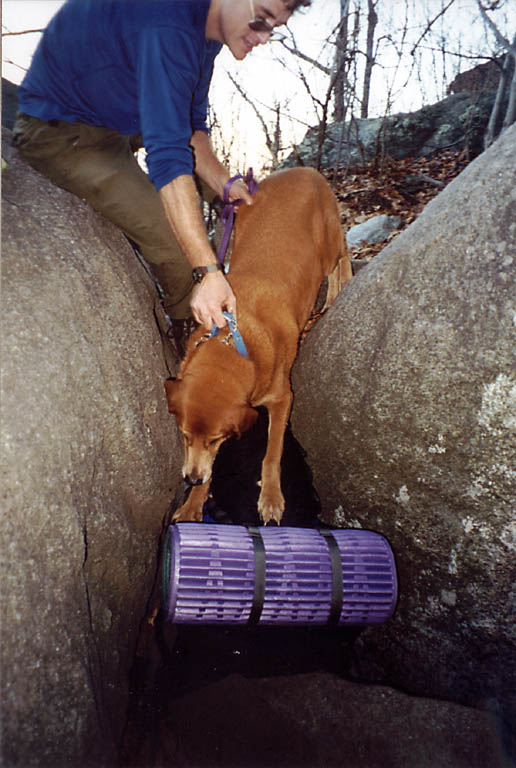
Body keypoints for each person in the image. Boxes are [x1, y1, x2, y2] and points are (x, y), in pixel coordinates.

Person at [13, 0, 311, 356]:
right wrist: (206, 271)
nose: (264, 37)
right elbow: (168, 155)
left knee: (218, 190)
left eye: (274, 27)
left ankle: (237, 240)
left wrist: (223, 184)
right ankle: (190, 324)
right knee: (173, 238)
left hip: (126, 112)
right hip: (63, 130)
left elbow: (190, 126)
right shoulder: (167, 22)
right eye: (261, 19)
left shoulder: (208, 31)